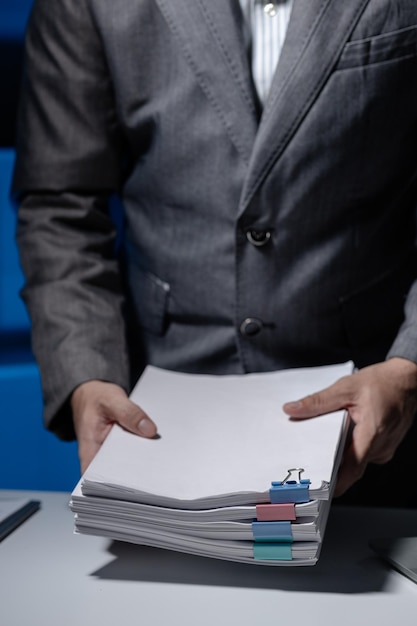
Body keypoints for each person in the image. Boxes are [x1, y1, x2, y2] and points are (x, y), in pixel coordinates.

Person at [13, 0, 417, 506]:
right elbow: (60, 206)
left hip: (379, 434)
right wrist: (87, 376)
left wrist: (409, 367)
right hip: (159, 432)